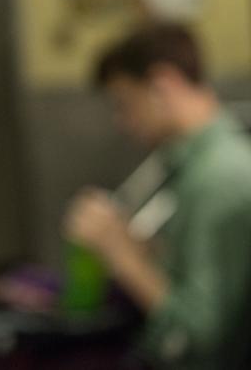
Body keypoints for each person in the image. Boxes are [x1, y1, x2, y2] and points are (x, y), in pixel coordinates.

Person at [64, 23, 251, 369]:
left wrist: (120, 251)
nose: (123, 121)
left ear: (162, 86)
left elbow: (198, 342)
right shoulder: (188, 165)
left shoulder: (217, 180)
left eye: (125, 103)